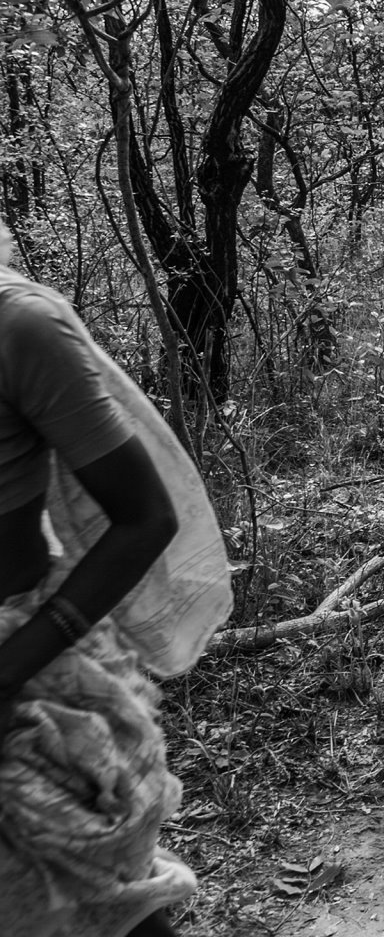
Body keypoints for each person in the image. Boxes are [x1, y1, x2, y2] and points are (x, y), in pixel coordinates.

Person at [0, 230, 232, 937]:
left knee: (99, 910)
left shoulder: (20, 326)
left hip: (29, 674)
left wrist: (7, 674)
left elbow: (145, 518)